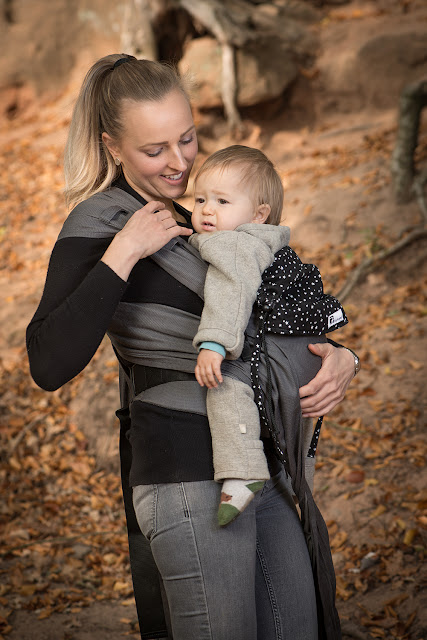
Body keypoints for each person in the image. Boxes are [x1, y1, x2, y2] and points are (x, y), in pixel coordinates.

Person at [26, 53, 359, 640]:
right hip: (186, 477)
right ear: (112, 147)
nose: (179, 162)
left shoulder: (208, 213)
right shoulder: (101, 222)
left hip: (258, 466)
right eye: (155, 150)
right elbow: (48, 361)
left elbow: (265, 317)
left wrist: (340, 357)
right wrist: (125, 252)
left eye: (187, 138)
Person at [188, 145, 348, 527]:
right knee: (296, 427)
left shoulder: (237, 244)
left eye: (222, 201)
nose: (207, 210)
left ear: (259, 214)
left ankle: (242, 469)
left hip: (275, 353)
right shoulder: (269, 242)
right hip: (303, 352)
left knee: (225, 385)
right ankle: (299, 485)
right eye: (200, 199)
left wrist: (214, 344)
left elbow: (233, 291)